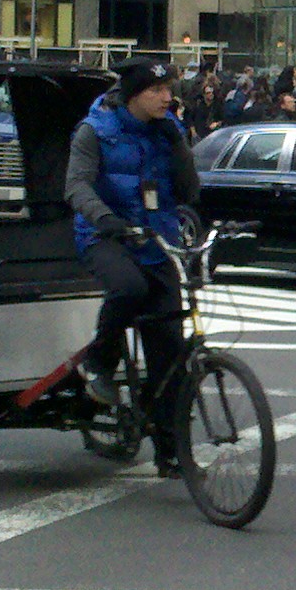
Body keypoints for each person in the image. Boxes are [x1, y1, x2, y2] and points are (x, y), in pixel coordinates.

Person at [64, 59, 200, 479]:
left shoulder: (166, 130)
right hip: (106, 235)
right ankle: (98, 363)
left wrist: (178, 144)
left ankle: (171, 451)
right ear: (134, 93)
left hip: (156, 237)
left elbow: (189, 191)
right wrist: (104, 219)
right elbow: (76, 186)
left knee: (170, 352)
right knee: (128, 288)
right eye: (157, 90)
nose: (167, 97)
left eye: (169, 89)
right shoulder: (95, 130)